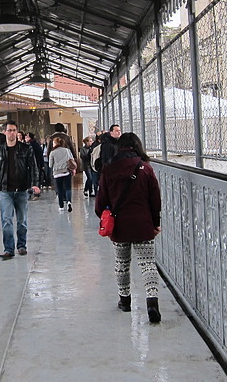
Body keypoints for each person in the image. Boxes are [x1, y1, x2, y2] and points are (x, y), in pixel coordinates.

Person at [94, 132, 162, 323]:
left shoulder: (109, 170)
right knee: (147, 264)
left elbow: (100, 203)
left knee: (122, 265)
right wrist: (155, 223)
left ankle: (125, 301)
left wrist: (105, 219)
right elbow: (155, 200)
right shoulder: (145, 168)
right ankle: (152, 303)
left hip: (119, 226)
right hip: (143, 224)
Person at [0, 120, 40, 260]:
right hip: (5, 190)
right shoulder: (0, 151)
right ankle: (8, 249)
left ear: (17, 132)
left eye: (14, 130)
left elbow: (33, 166)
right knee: (6, 220)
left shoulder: (26, 149)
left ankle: (21, 246)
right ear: (5, 132)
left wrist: (35, 184)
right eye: (9, 130)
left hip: (22, 190)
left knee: (22, 220)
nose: (11, 133)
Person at [49, 135, 75, 212]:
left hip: (57, 173)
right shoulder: (67, 150)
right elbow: (72, 159)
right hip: (66, 171)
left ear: (55, 143)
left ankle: (61, 206)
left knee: (59, 189)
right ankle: (69, 201)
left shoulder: (52, 152)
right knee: (68, 188)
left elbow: (50, 165)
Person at [25, 132, 44, 199]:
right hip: (36, 164)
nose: (25, 138)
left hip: (33, 164)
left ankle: (34, 193)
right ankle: (35, 193)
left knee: (33, 179)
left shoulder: (31, 146)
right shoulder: (36, 145)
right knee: (35, 179)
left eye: (27, 137)